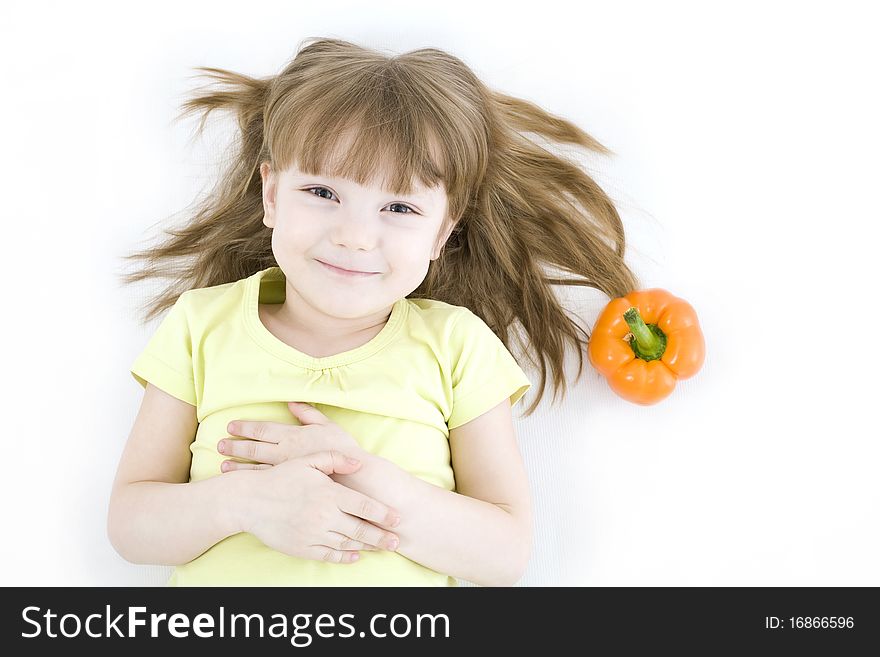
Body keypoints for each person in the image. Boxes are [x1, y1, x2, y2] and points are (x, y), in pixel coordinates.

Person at [107, 37, 641, 587]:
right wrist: (246, 503)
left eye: (399, 207)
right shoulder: (201, 324)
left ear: (444, 229)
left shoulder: (457, 344)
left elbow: (503, 557)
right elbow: (129, 525)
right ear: (271, 196)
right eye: (321, 191)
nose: (356, 236)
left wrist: (361, 475)